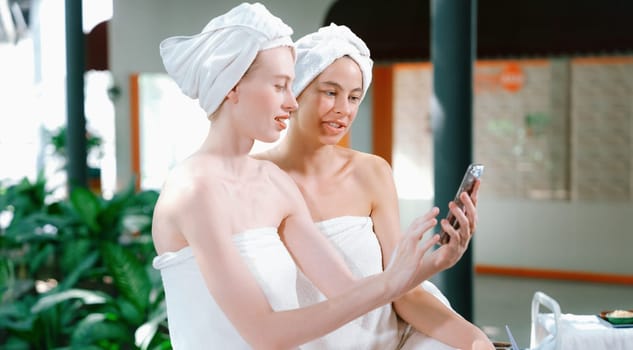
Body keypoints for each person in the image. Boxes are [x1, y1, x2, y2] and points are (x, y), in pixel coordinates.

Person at [151, 3, 475, 349]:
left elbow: (348, 292)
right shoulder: (193, 191)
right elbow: (264, 333)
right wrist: (392, 281)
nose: (292, 103)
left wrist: (434, 263)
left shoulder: (273, 182)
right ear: (232, 87)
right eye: (280, 86)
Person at [256, 24, 494, 350]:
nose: (344, 109)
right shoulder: (255, 178)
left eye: (354, 97)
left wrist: (477, 340)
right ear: (295, 91)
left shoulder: (372, 172)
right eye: (330, 92)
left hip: (387, 341)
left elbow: (403, 292)